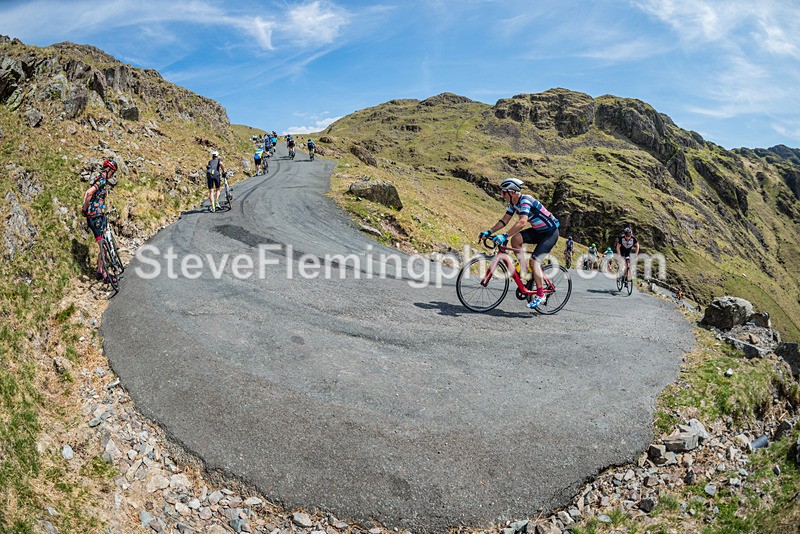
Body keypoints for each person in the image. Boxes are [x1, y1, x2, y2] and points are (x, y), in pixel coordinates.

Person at [478, 178, 560, 309]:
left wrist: (504, 235)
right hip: (538, 231)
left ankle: (540, 295)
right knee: (515, 240)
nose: (502, 195)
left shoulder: (526, 200)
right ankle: (526, 273)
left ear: (511, 192)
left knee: (534, 262)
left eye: (503, 193)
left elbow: (522, 222)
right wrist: (489, 232)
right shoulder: (513, 204)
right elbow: (504, 220)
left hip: (550, 233)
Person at [81, 159, 118, 282]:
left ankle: (99, 272)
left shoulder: (102, 180)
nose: (113, 175)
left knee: (103, 243)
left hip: (98, 215)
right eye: (113, 172)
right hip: (95, 216)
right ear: (109, 170)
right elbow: (89, 193)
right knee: (104, 245)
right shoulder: (101, 179)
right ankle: (106, 275)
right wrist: (85, 209)